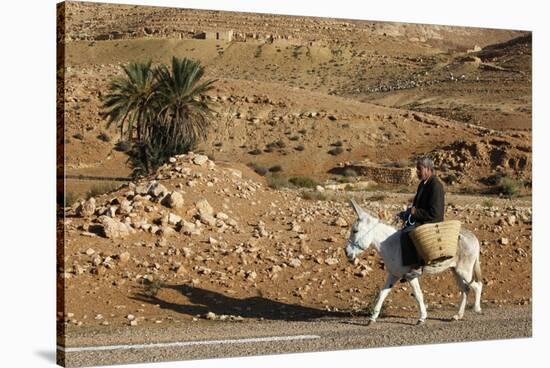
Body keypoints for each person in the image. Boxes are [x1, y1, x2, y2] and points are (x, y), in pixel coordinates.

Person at [398, 156, 445, 280]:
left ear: (428, 169)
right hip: (421, 219)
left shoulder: (436, 186)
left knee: (407, 232)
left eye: (419, 169)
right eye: (417, 169)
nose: (417, 172)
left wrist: (415, 212)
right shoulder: (422, 185)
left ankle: (417, 266)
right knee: (401, 230)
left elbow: (436, 213)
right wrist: (407, 213)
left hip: (431, 222)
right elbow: (416, 207)